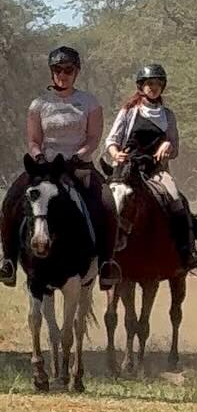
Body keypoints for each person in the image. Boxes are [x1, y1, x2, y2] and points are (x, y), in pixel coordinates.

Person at [0, 45, 119, 289]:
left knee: (108, 202)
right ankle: (9, 260)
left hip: (78, 166)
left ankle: (107, 263)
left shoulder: (89, 102)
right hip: (44, 167)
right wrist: (39, 157)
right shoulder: (39, 104)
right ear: (51, 72)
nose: (62, 74)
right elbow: (33, 140)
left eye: (68, 70)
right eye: (57, 69)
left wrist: (79, 156)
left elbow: (94, 138)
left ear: (76, 72)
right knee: (11, 199)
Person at [104, 63, 197, 268]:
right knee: (105, 202)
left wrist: (168, 145)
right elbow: (111, 140)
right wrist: (115, 153)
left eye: (157, 84)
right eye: (149, 84)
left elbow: (175, 149)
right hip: (126, 170)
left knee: (176, 200)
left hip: (156, 171)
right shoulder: (128, 111)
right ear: (141, 86)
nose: (153, 87)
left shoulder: (168, 115)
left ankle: (186, 251)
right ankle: (101, 254)